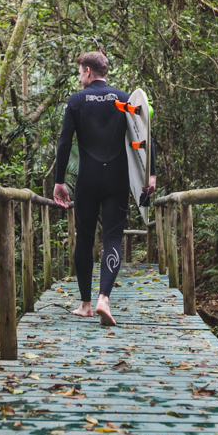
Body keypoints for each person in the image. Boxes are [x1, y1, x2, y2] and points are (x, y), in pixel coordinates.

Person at [53, 51, 156, 326]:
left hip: (87, 180)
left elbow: (64, 143)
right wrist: (151, 174)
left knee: (84, 239)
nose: (79, 77)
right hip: (117, 179)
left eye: (79, 72)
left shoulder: (75, 101)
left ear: (87, 71)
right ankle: (104, 300)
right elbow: (143, 136)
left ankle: (85, 305)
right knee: (112, 238)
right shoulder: (124, 99)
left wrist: (59, 181)